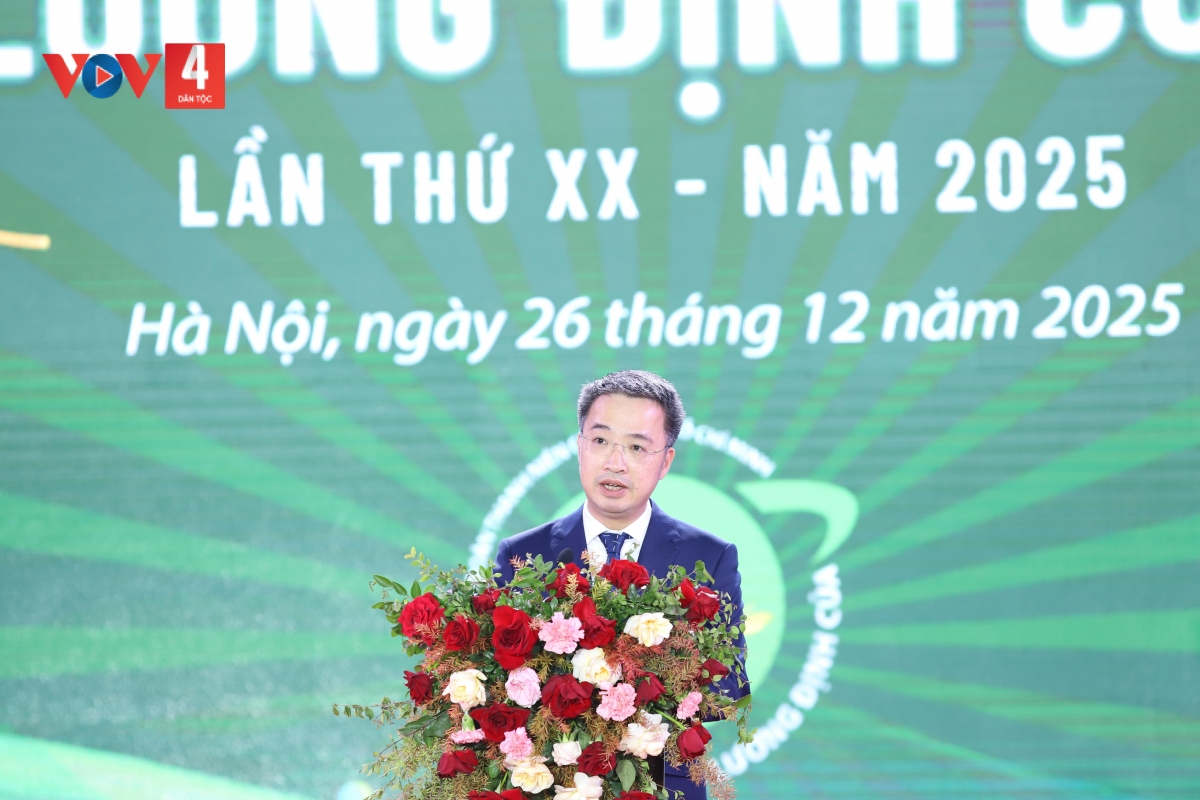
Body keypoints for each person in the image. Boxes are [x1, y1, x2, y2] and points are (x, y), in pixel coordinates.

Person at [494, 370, 749, 800]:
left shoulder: (709, 557)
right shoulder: (522, 555)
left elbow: (728, 687)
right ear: (580, 446)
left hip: (662, 785)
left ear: (665, 461)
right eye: (600, 440)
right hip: (549, 784)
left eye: (636, 447)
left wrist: (627, 692)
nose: (615, 462)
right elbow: (497, 679)